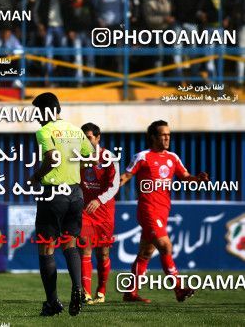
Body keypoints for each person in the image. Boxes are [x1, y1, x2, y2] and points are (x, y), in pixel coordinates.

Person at [120, 120, 209, 303]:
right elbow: (126, 176)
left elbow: (185, 177)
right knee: (165, 246)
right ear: (153, 137)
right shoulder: (142, 157)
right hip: (148, 210)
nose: (167, 138)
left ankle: (130, 293)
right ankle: (178, 288)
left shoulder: (173, 158)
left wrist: (197, 179)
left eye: (169, 134)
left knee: (145, 252)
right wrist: (104, 194)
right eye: (163, 134)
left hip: (163, 210)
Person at [29, 92, 94, 316]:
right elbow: (91, 157)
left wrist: (37, 176)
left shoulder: (44, 131)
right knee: (70, 244)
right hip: (76, 193)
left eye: (37, 112)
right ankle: (78, 289)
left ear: (46, 111)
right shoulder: (75, 130)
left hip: (54, 193)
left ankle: (53, 302)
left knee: (46, 247)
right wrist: (73, 169)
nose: (36, 116)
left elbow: (52, 158)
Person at [79, 122, 119, 304]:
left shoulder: (109, 157)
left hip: (104, 213)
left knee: (103, 253)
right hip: (85, 211)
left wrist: (99, 200)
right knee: (85, 249)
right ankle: (85, 293)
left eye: (88, 138)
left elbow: (114, 185)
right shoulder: (77, 158)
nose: (86, 142)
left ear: (97, 137)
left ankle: (101, 291)